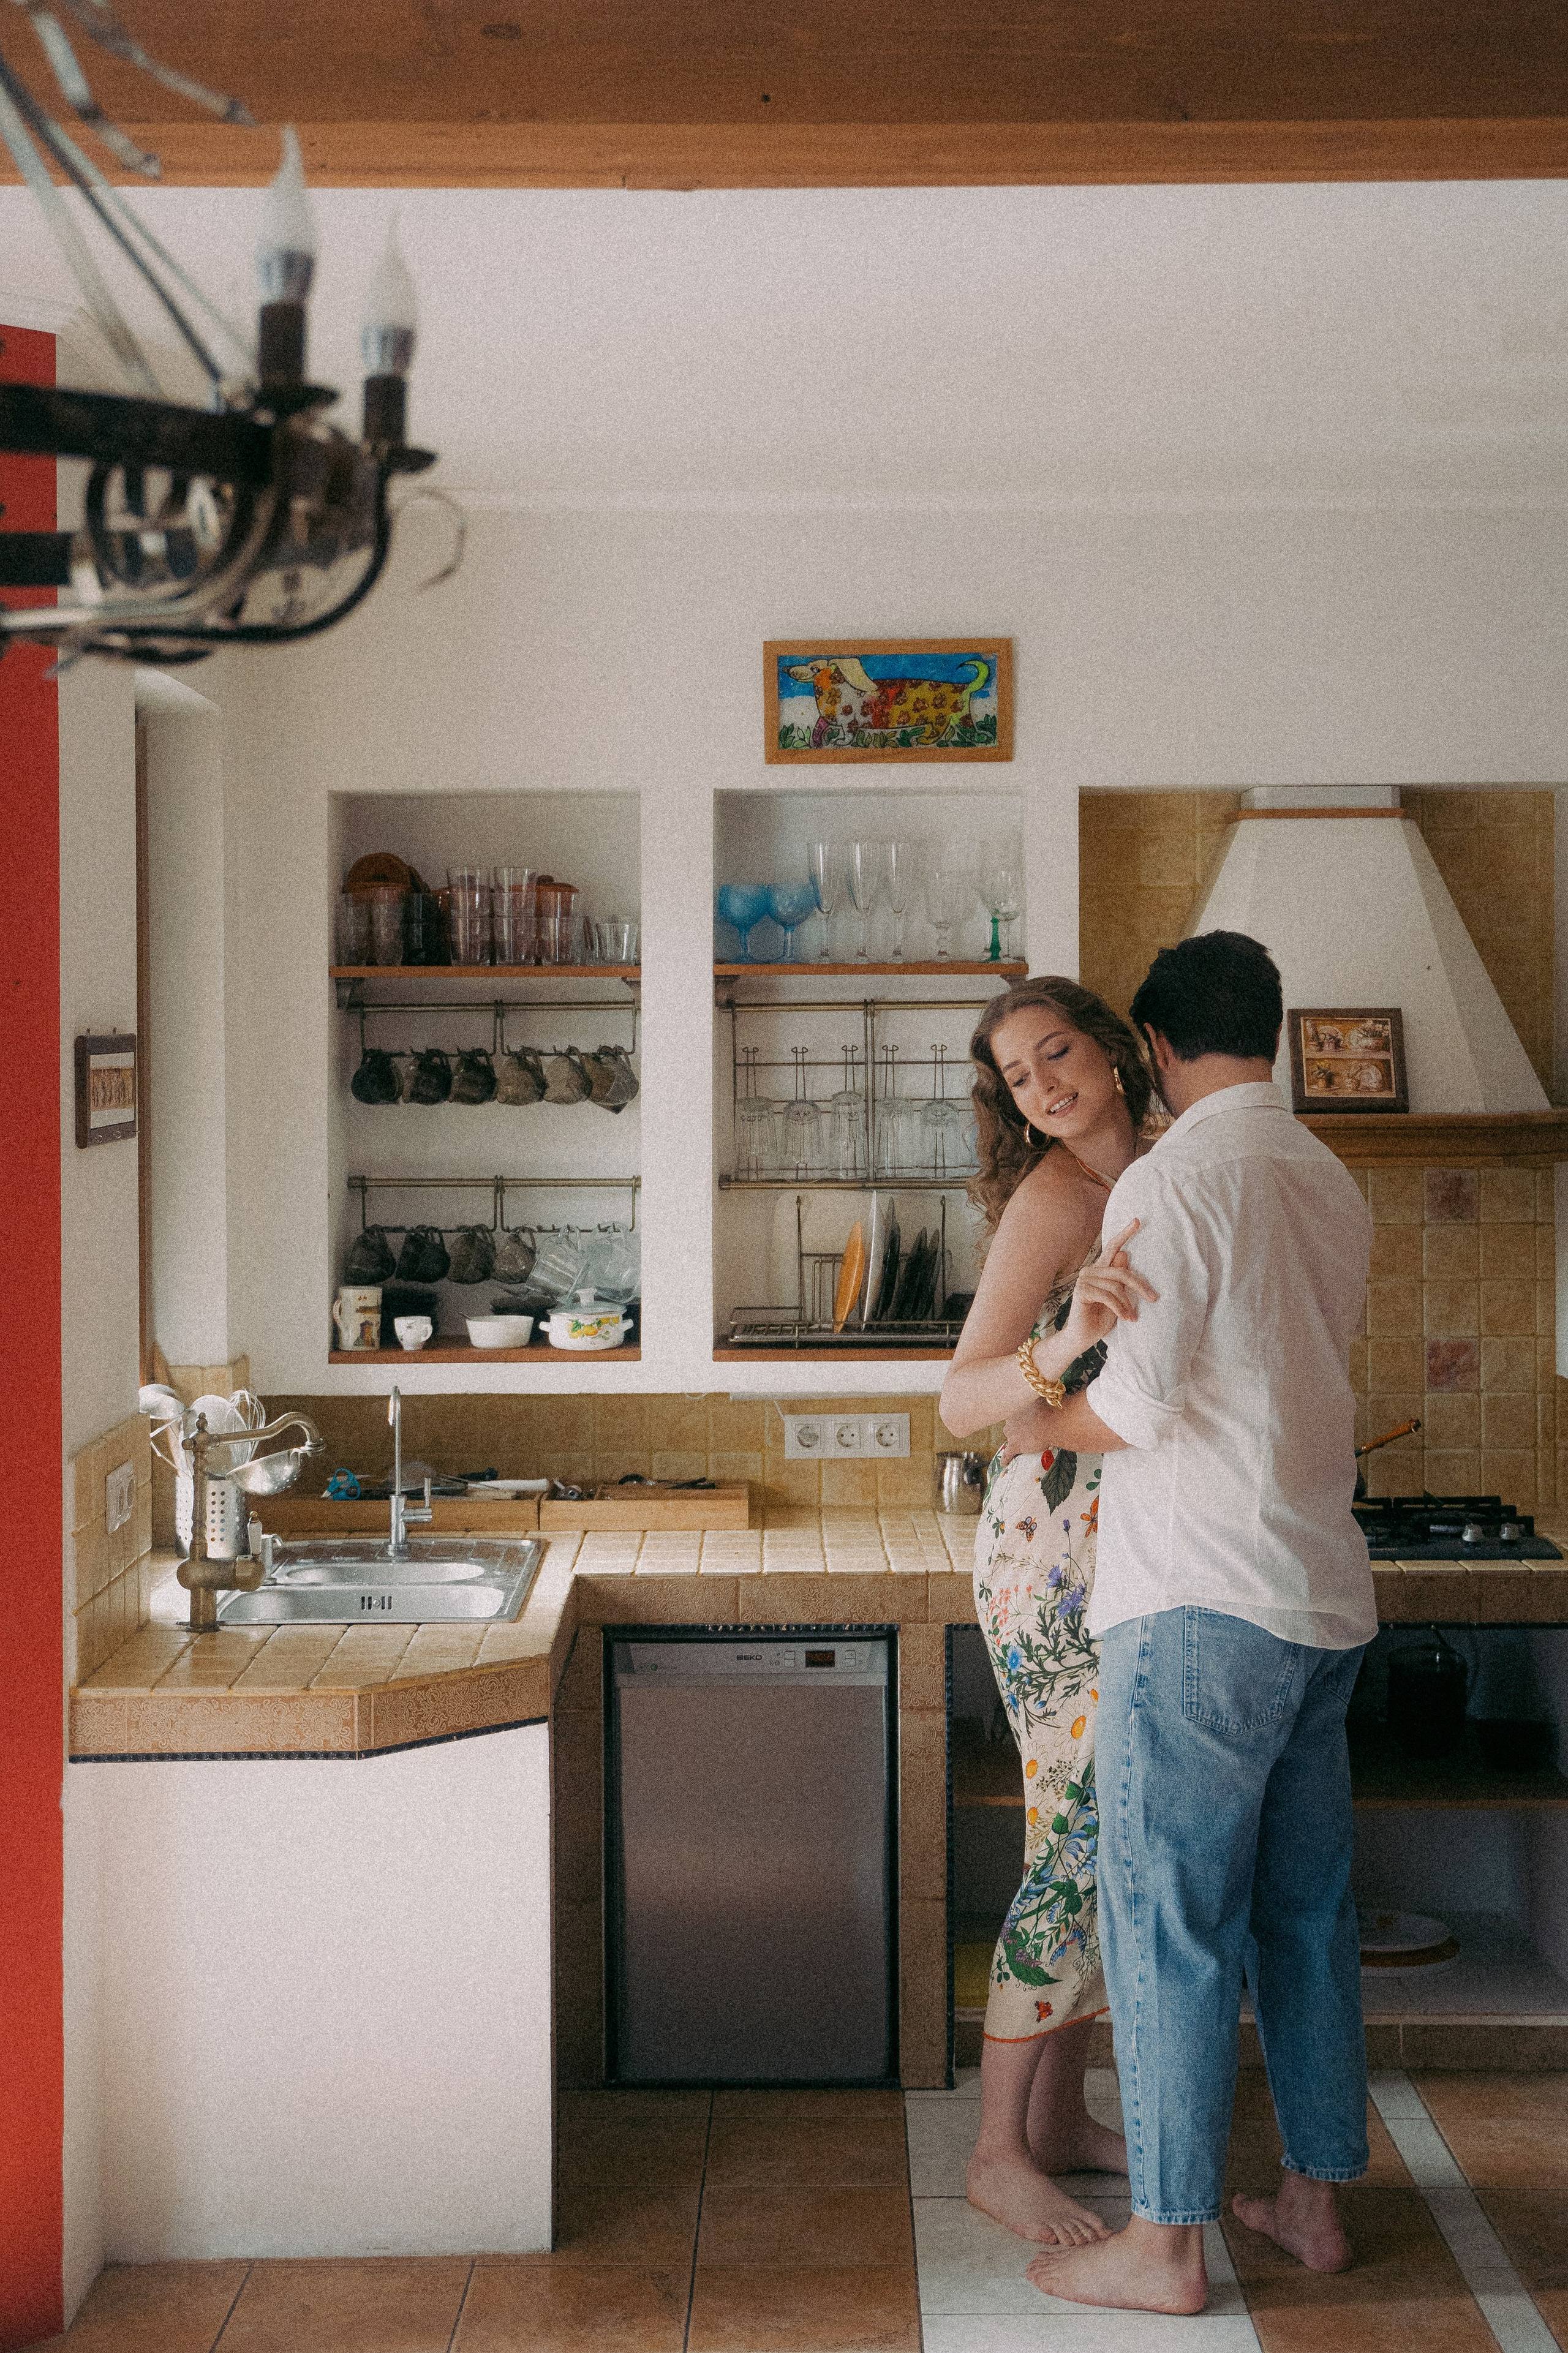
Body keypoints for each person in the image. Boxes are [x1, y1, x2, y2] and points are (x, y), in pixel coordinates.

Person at [992, 931, 1376, 2317]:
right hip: (1320, 1598)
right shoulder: (1328, 1176)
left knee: (1168, 1926)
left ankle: (1163, 2246)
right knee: (1307, 1919)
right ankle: (1311, 2205)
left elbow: (1139, 1405)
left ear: (1150, 1047)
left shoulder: (1172, 1176)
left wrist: (1037, 1419)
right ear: (1270, 1028)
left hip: (1197, 1602)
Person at [938, 977, 1159, 2247]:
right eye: (1019, 1077)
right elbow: (962, 1398)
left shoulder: (1163, 1171)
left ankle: (1064, 2120)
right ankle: (994, 2152)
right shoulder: (1056, 1198)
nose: (1045, 1087)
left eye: (1056, 1054)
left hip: (1133, 1541)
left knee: (1100, 1833)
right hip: (1049, 1551)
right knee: (1073, 1837)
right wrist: (1060, 1341)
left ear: (1111, 1051)